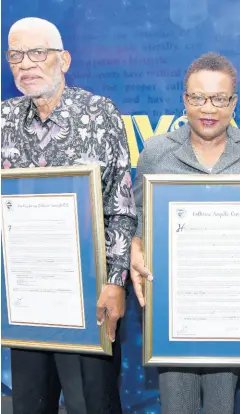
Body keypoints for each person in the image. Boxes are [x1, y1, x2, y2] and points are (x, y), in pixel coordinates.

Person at [130, 52, 240, 414]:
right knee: (177, 405)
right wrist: (135, 244)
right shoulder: (157, 152)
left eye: (219, 98)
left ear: (233, 102)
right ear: (184, 100)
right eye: (197, 97)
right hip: (174, 303)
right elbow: (139, 212)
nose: (208, 108)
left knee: (222, 404)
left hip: (231, 302)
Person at [1, 17, 137, 414]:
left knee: (92, 403)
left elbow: (121, 206)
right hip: (25, 298)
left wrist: (116, 282)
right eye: (15, 55)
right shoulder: (4, 119)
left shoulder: (99, 113)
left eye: (37, 53)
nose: (26, 64)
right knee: (30, 404)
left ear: (64, 59)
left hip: (89, 298)